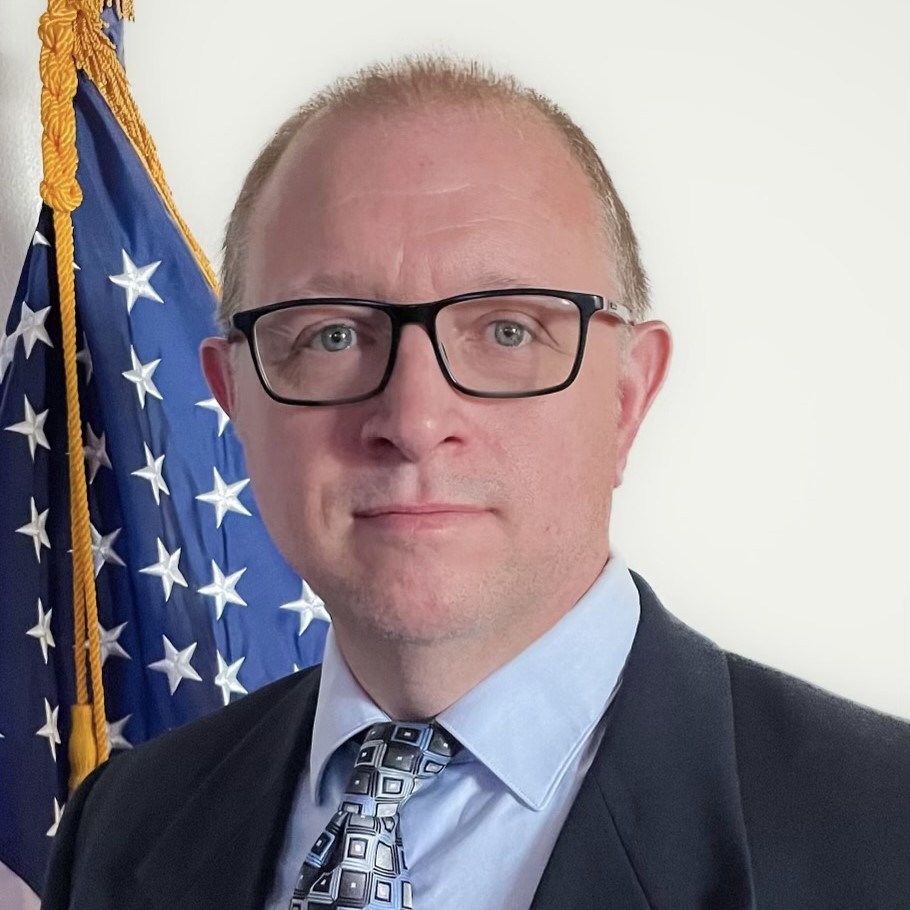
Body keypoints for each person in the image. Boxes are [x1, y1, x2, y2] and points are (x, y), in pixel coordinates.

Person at [43, 57, 909, 910]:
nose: (414, 420)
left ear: (627, 397)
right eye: (333, 337)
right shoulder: (123, 825)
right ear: (233, 397)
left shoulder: (883, 829)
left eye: (506, 329)